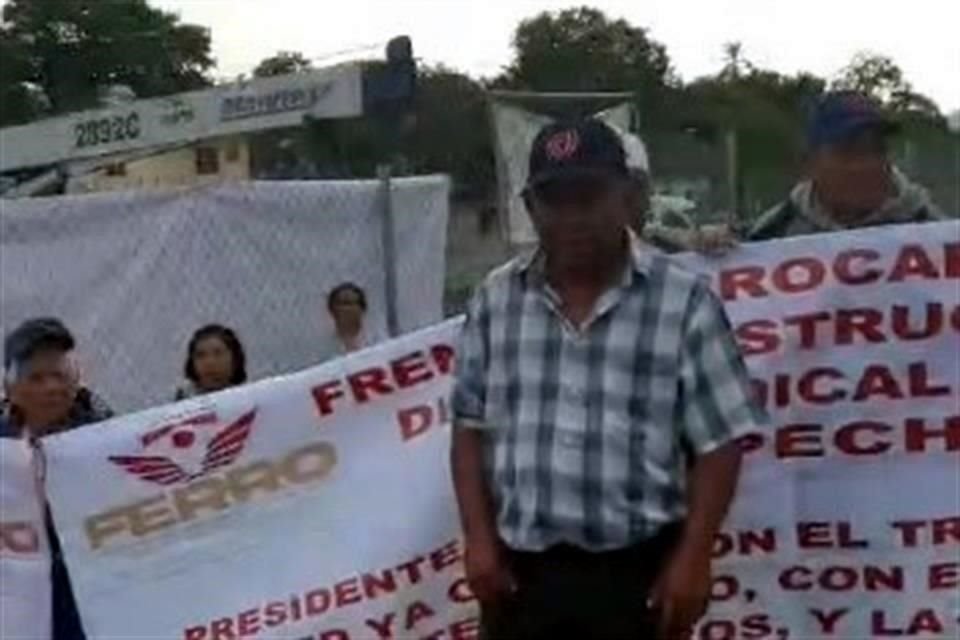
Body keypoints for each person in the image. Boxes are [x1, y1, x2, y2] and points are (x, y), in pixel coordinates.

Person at [451, 119, 764, 639]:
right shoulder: (495, 299)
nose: (573, 217)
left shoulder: (683, 300)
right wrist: (478, 540)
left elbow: (721, 442)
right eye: (556, 200)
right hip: (519, 580)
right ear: (531, 209)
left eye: (590, 195)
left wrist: (694, 557)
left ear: (626, 195)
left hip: (638, 578)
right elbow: (468, 428)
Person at [0, 317, 113, 640]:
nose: (51, 387)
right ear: (11, 388)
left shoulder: (109, 438)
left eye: (59, 375)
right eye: (36, 377)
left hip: (94, 597)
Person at [748, 90, 943, 240]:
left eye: (877, 149)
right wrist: (720, 257)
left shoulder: (933, 230)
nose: (867, 165)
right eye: (848, 152)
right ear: (811, 163)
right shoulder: (772, 234)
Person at [175, 324, 247, 400]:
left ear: (235, 359)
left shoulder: (248, 399)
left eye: (218, 353)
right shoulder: (181, 405)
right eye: (200, 355)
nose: (209, 362)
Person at [325, 282, 379, 357]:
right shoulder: (325, 346)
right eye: (339, 304)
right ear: (331, 309)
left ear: (362, 309)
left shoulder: (377, 341)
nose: (344, 309)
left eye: (348, 303)